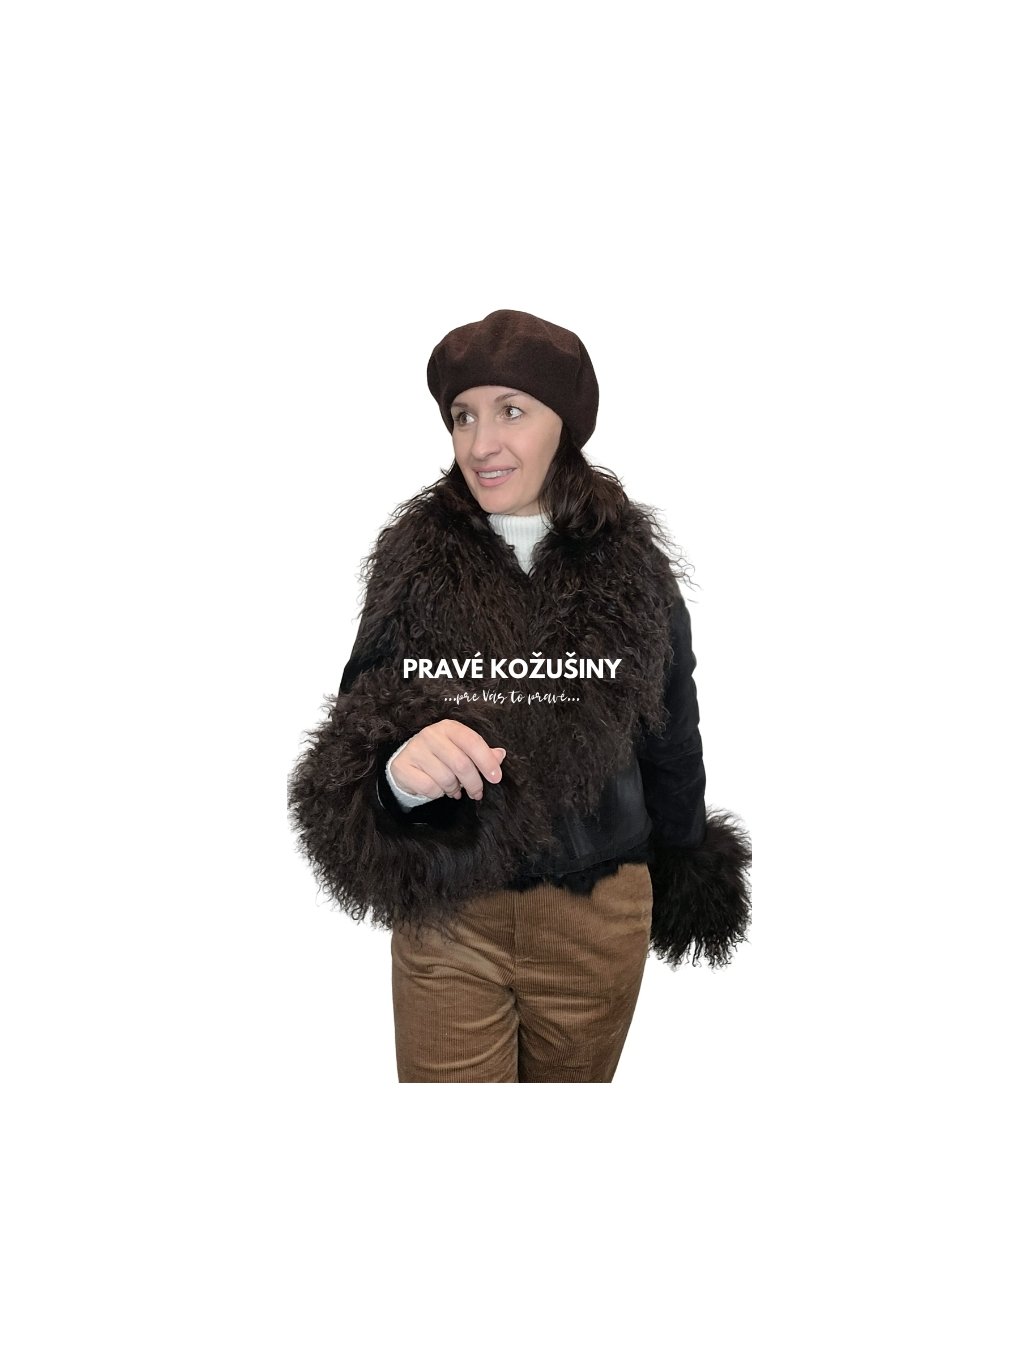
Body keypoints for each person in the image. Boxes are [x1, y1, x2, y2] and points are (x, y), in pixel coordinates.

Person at [287, 308, 752, 1083]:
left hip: (598, 912)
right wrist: (396, 773)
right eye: (463, 415)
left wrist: (684, 856)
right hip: (449, 909)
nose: (480, 444)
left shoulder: (632, 567)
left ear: (562, 423)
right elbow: (357, 724)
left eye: (510, 411)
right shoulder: (415, 561)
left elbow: (672, 735)